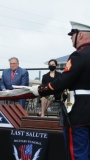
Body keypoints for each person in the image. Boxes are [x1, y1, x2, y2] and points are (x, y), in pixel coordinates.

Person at [22, 21, 90, 160]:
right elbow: (79, 83)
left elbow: (64, 81)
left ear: (81, 35)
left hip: (79, 113)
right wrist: (58, 96)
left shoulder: (78, 56)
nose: (71, 38)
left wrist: (41, 90)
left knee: (77, 153)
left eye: (73, 34)